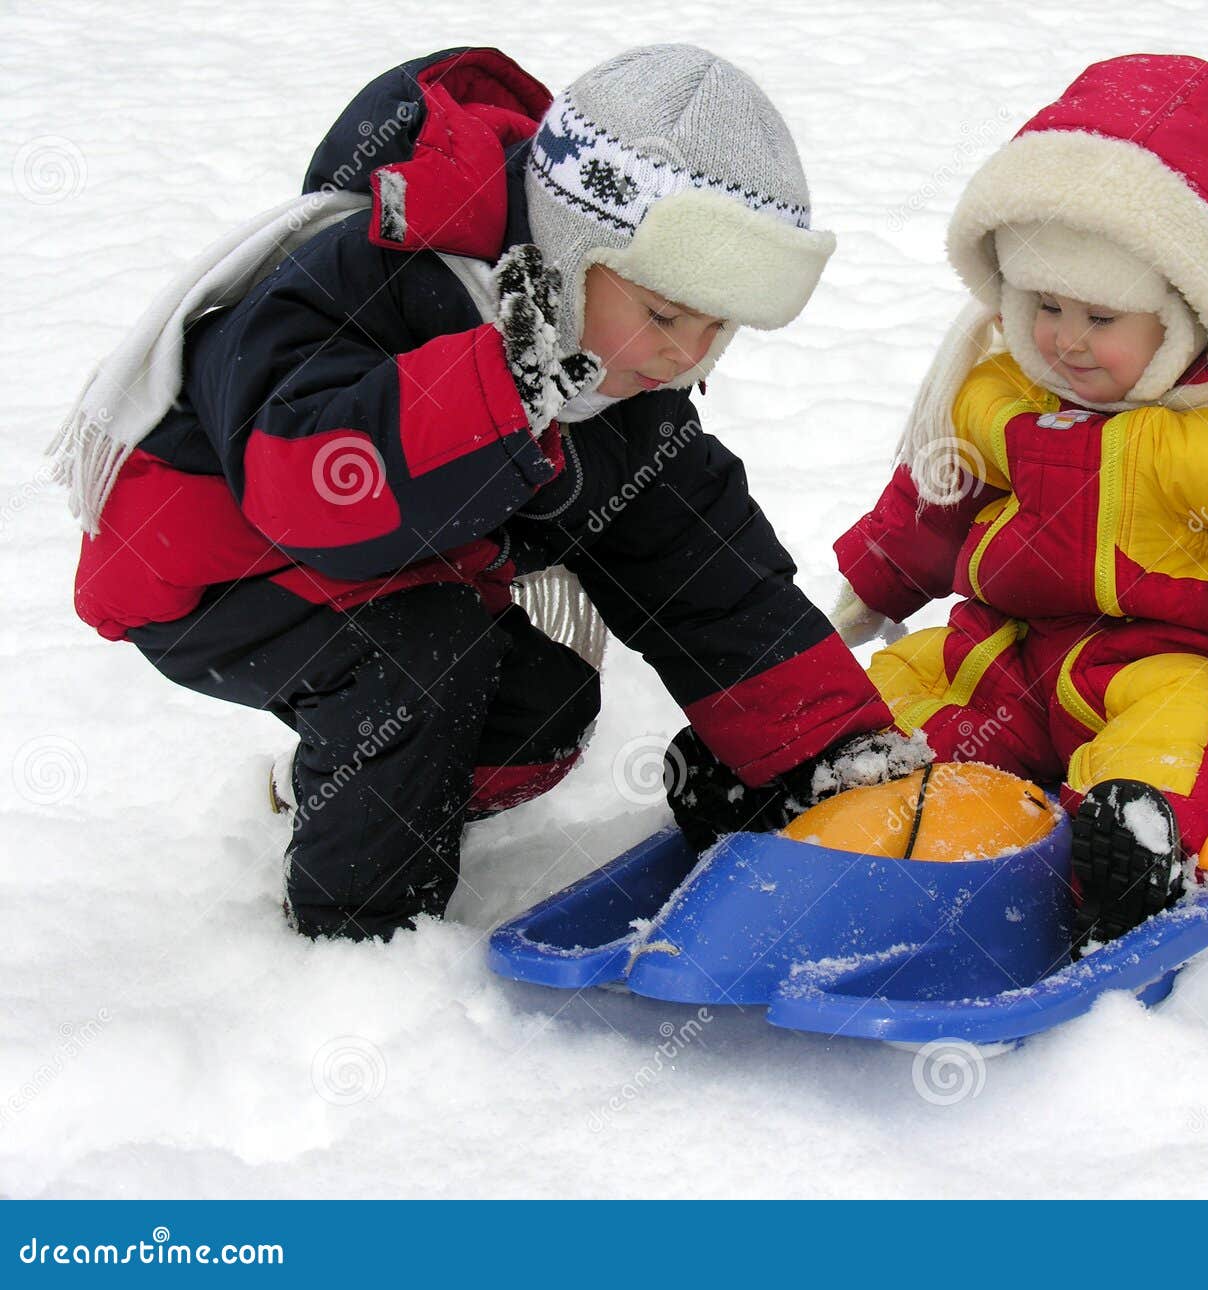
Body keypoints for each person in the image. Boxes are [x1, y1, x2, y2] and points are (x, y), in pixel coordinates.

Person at [57, 44, 923, 942]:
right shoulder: (376, 275)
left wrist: (831, 757)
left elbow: (702, 569)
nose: (687, 356)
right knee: (416, 664)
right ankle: (358, 940)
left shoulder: (603, 367)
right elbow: (306, 491)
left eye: (718, 328)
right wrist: (495, 392)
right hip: (217, 565)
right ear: (575, 246)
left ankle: (349, 779)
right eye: (666, 317)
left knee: (541, 710)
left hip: (400, 556)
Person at [829, 54, 1208, 949]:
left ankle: (1135, 850)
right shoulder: (998, 394)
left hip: (1182, 665)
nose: (1063, 340)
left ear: (1189, 310)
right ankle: (811, 784)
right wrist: (874, 586)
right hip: (1013, 655)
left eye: (1101, 318)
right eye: (1043, 303)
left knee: (1191, 739)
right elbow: (935, 501)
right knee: (907, 691)